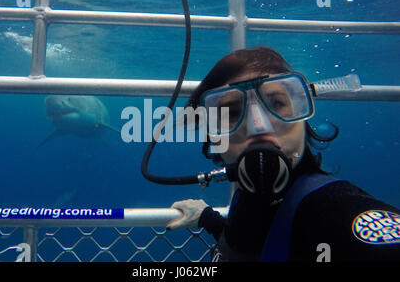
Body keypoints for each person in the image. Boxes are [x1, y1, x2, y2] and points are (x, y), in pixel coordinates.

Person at [165, 46, 400, 262]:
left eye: (276, 104)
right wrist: (208, 218)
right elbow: (252, 243)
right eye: (233, 112)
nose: (259, 126)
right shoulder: (247, 198)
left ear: (302, 113)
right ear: (213, 136)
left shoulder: (335, 208)